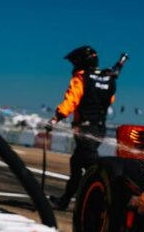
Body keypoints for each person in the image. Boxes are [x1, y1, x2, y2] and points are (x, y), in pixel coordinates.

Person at [47, 45, 117, 210]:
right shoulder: (109, 79)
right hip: (99, 128)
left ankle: (107, 203)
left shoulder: (81, 78)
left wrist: (56, 118)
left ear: (81, 62)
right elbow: (110, 100)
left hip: (85, 129)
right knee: (77, 163)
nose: (73, 66)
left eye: (75, 63)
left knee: (95, 167)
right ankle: (65, 200)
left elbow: (72, 100)